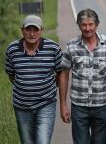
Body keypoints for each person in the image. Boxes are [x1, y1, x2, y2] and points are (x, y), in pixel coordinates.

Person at [59, 9, 106, 144]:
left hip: (102, 105)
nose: (87, 28)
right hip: (79, 106)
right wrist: (63, 104)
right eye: (83, 25)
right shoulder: (71, 46)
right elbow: (64, 74)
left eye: (91, 24)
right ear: (79, 25)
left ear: (97, 24)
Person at [5, 14, 62, 144]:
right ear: (22, 30)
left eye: (35, 29)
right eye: (28, 29)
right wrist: (25, 86)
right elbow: (11, 74)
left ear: (41, 30)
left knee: (42, 141)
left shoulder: (53, 48)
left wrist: (51, 87)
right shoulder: (12, 49)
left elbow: (60, 73)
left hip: (46, 104)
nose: (32, 33)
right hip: (21, 106)